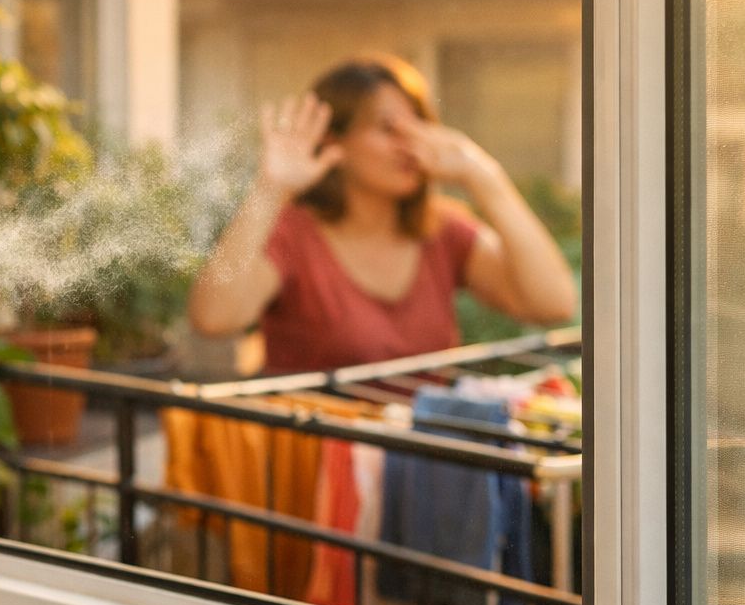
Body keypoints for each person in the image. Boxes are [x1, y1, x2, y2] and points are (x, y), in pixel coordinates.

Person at [188, 54, 576, 372]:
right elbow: (214, 319)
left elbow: (553, 303)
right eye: (388, 128)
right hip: (317, 460)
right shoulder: (295, 234)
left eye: (418, 124)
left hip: (424, 459)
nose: (409, 144)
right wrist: (270, 188)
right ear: (333, 140)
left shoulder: (443, 229)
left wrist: (484, 176)